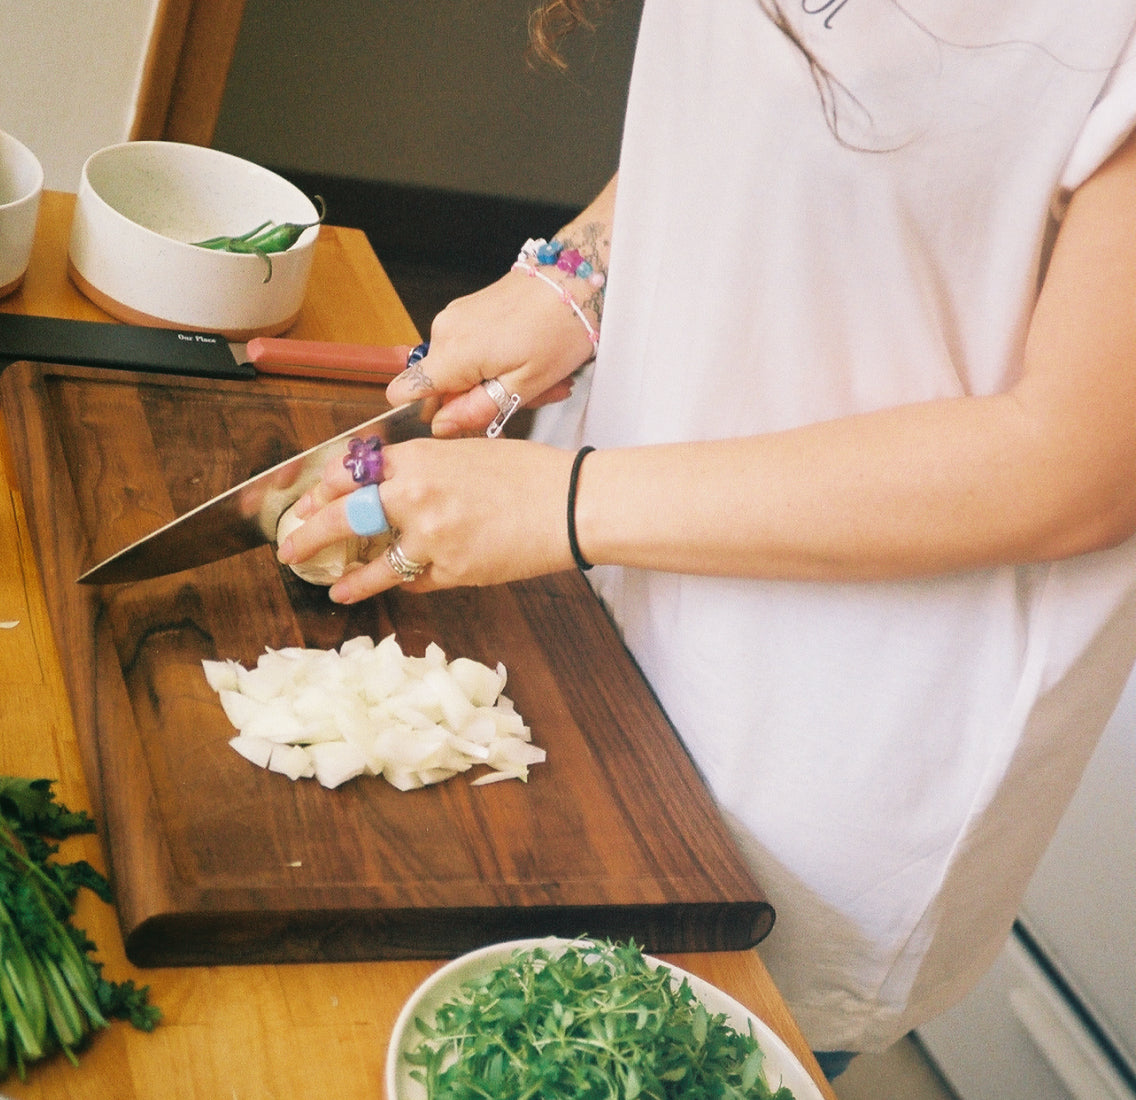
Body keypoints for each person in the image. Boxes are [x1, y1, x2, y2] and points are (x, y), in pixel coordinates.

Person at [277, 0, 1136, 1077]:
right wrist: (580, 275)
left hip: (807, 762)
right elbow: (757, 106)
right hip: (592, 624)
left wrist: (566, 505)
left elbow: (1079, 461)